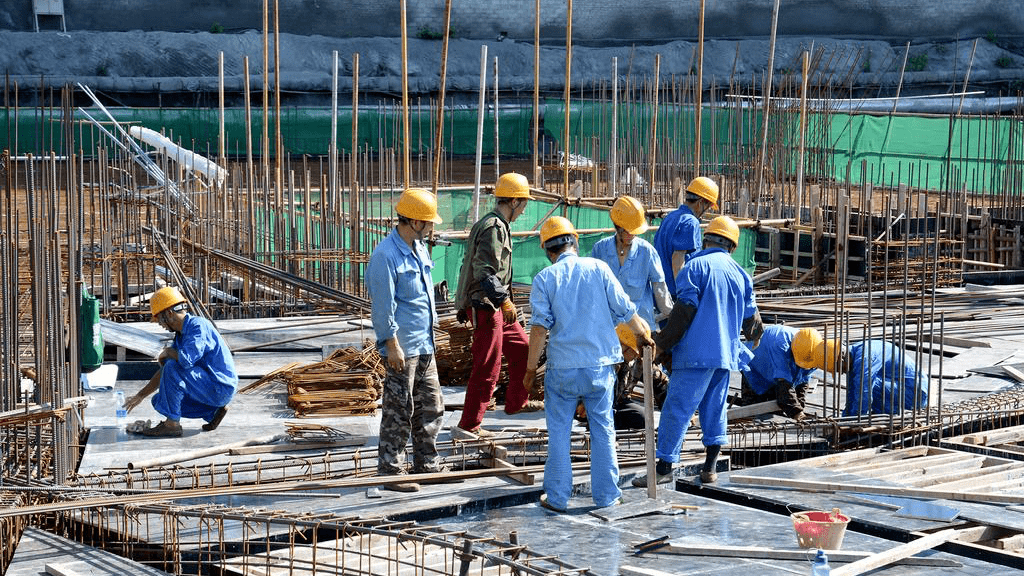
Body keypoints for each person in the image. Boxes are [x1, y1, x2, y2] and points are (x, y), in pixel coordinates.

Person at [524, 216, 654, 512]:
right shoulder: (599, 268)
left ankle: (557, 497)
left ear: (547, 249)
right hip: (599, 367)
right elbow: (625, 310)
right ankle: (607, 496)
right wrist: (643, 335)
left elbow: (539, 328)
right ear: (575, 242)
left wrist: (530, 371)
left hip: (563, 369)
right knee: (603, 430)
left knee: (559, 433)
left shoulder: (545, 278)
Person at [633, 216, 763, 487]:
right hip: (725, 357)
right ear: (733, 246)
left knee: (677, 408)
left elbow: (684, 313)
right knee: (714, 410)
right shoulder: (741, 274)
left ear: (706, 240)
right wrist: (754, 336)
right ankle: (709, 468)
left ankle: (664, 467)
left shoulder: (694, 267)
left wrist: (661, 343)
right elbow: (753, 325)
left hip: (695, 356)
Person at [365, 188, 446, 493]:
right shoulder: (385, 255)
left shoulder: (419, 248)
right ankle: (391, 469)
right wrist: (390, 343)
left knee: (431, 406)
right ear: (412, 221)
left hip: (424, 343)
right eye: (428, 221)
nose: (432, 226)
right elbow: (383, 306)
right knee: (399, 409)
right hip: (402, 347)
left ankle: (428, 462)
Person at [453, 172, 541, 440]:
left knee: (523, 351)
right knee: (487, 366)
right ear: (513, 201)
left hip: (495, 304)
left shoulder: (500, 225)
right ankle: (468, 426)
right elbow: (484, 271)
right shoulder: (493, 227)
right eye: (523, 204)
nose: (524, 209)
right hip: (487, 306)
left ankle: (516, 403)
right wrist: (504, 301)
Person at [124, 286, 237, 437]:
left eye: (160, 320)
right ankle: (213, 412)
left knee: (172, 366)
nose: (161, 326)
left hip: (220, 386)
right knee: (159, 400)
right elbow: (166, 372)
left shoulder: (198, 326)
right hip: (211, 387)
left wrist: (168, 353)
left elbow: (185, 361)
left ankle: (172, 425)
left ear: (169, 314)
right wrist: (140, 395)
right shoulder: (181, 335)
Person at [590, 196, 672, 328]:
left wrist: (670, 314)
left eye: (634, 231)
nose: (630, 235)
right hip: (609, 327)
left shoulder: (647, 252)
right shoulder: (600, 249)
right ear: (617, 225)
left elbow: (660, 289)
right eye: (626, 230)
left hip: (641, 326)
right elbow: (593, 288)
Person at [576, 323, 669, 431]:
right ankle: (597, 428)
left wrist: (672, 414)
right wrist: (583, 402)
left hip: (618, 403)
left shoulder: (638, 361)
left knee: (641, 418)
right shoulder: (602, 356)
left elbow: (660, 384)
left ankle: (609, 425)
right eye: (631, 350)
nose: (635, 353)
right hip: (588, 401)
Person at [808, 334, 929, 417]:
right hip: (899, 387)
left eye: (841, 369)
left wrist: (855, 421)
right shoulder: (854, 355)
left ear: (841, 359)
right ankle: (883, 414)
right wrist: (844, 418)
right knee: (858, 384)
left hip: (915, 393)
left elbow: (863, 392)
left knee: (867, 384)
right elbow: (851, 394)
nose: (842, 373)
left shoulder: (865, 356)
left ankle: (888, 414)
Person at [652, 176, 719, 297]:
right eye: (708, 206)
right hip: (674, 292)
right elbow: (677, 260)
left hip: (661, 289)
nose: (707, 210)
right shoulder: (690, 222)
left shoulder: (671, 216)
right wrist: (683, 293)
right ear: (701, 203)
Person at [739, 326, 820, 420]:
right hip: (755, 366)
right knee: (753, 414)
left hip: (771, 358)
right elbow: (783, 388)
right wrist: (797, 413)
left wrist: (799, 405)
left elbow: (803, 381)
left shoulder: (810, 348)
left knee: (779, 409)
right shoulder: (781, 348)